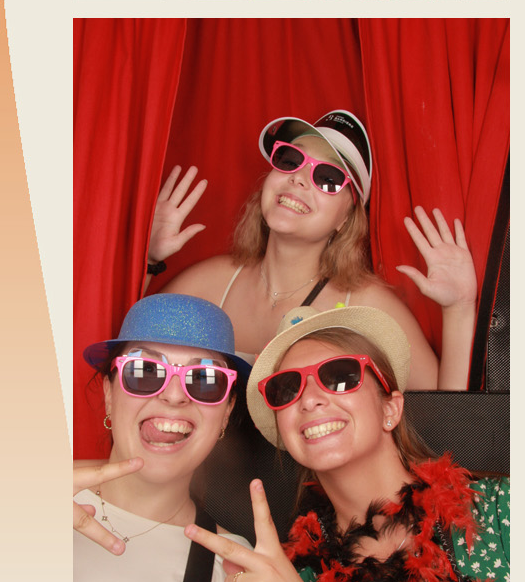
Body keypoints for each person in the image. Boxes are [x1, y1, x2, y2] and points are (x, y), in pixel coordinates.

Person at [185, 307, 509, 582]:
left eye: (339, 376)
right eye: (287, 388)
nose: (309, 400)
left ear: (391, 408)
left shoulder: (503, 510)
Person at [150, 108, 477, 388]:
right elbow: (131, 357)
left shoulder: (368, 308)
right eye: (290, 160)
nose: (299, 178)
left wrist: (459, 309)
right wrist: (147, 259)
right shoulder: (210, 284)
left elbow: (445, 414)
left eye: (328, 178)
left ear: (346, 219)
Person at [73, 295, 255, 582]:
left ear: (226, 413)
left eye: (205, 379)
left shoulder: (232, 562)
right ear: (109, 394)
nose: (174, 396)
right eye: (144, 371)